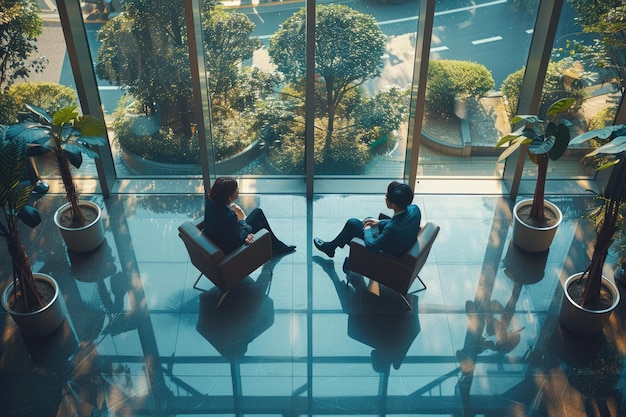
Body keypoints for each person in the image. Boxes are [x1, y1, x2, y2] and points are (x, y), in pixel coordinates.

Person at [314, 181, 421, 265]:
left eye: (387, 196)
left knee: (352, 224)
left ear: (393, 205)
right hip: (400, 240)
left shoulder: (392, 229)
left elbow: (371, 246)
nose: (385, 196)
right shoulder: (414, 209)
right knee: (368, 219)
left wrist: (367, 229)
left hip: (389, 250)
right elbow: (400, 221)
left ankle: (344, 255)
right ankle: (333, 248)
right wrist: (379, 222)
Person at [203, 177, 296, 257]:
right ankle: (278, 246)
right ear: (229, 196)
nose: (238, 190)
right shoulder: (228, 216)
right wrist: (242, 220)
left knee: (258, 218)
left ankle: (276, 246)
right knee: (259, 221)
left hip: (221, 240)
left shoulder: (210, 202)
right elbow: (239, 239)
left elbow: (225, 227)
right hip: (231, 249)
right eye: (236, 188)